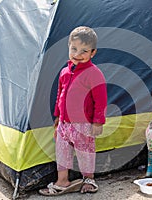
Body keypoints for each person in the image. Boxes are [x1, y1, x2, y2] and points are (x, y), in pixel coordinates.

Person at [39, 26, 107, 196]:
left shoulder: (94, 73)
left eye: (84, 50)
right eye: (74, 48)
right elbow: (59, 96)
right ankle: (62, 180)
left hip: (83, 124)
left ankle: (89, 179)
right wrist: (57, 117)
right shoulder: (64, 72)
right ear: (68, 47)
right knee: (62, 152)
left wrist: (98, 122)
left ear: (93, 53)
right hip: (64, 123)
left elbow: (101, 100)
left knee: (85, 152)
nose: (77, 53)